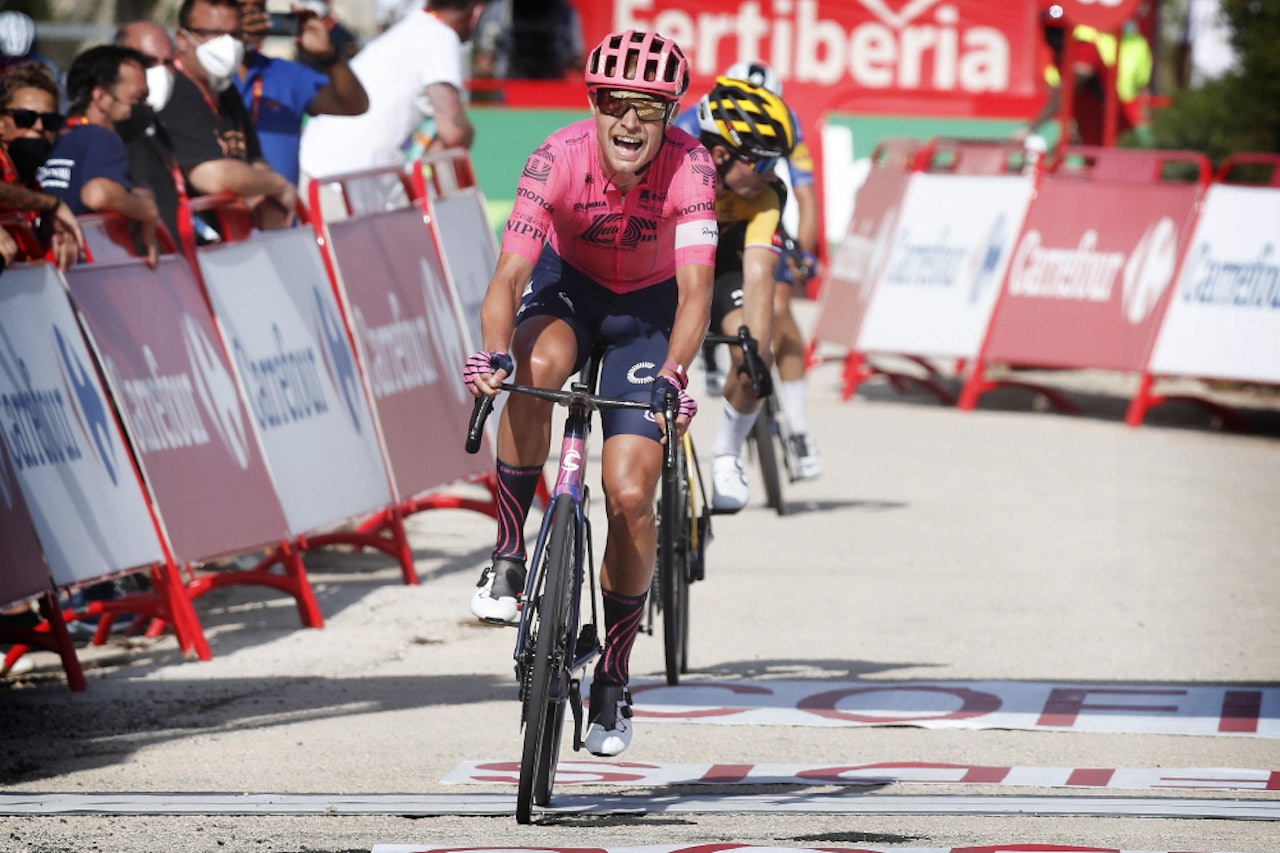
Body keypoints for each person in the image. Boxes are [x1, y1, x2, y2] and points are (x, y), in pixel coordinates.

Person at [463, 30, 715, 757]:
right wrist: (493, 353)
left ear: (669, 116)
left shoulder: (692, 167)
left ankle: (613, 674)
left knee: (630, 492)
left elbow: (696, 292)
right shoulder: (557, 156)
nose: (630, 122)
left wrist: (674, 372)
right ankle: (508, 554)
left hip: (649, 314)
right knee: (536, 363)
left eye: (649, 108)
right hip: (568, 289)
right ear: (595, 104)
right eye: (615, 104)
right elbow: (509, 276)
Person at [692, 60, 823, 480]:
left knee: (776, 311)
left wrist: (802, 255)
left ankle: (797, 429)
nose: (771, 174)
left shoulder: (785, 130)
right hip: (688, 251)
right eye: (764, 163)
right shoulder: (690, 133)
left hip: (742, 241)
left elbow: (805, 196)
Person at [688, 76, 796, 513]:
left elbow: (758, 275)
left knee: (753, 357)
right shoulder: (672, 171)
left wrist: (756, 354)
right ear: (720, 154)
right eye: (763, 161)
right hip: (668, 271)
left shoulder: (766, 194)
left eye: (777, 161)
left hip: (726, 269)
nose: (772, 173)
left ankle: (728, 453)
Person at [298, 0, 483, 184]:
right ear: (477, 12)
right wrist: (462, 135)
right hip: (340, 179)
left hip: (320, 168)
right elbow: (454, 132)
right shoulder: (440, 35)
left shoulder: (414, 26)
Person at [161, 0, 298, 231]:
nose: (227, 44)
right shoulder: (174, 92)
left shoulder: (226, 91)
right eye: (214, 34)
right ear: (183, 39)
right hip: (187, 242)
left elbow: (255, 160)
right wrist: (277, 185)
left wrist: (265, 200)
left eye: (234, 35)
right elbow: (211, 176)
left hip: (235, 242)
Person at [37, 45, 162, 268]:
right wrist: (147, 209)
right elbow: (97, 194)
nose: (145, 107)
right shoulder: (103, 138)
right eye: (138, 99)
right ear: (101, 97)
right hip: (77, 270)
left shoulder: (53, 136)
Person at [235, 0, 368, 187]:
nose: (252, 17)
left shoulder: (285, 73)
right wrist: (232, 45)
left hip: (281, 204)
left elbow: (354, 104)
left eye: (259, 8)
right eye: (240, 7)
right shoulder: (201, 74)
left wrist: (329, 56)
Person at [0, 62, 84, 270]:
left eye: (49, 121)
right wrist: (53, 205)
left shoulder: (32, 184)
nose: (38, 127)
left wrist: (55, 235)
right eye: (25, 118)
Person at [114, 21, 187, 248]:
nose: (161, 72)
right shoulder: (108, 135)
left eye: (168, 62)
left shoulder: (164, 128)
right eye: (148, 62)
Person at [472, 0, 583, 81]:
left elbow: (577, 57)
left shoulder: (565, 14)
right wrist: (485, 64)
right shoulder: (499, 10)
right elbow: (483, 60)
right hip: (510, 85)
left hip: (552, 85)